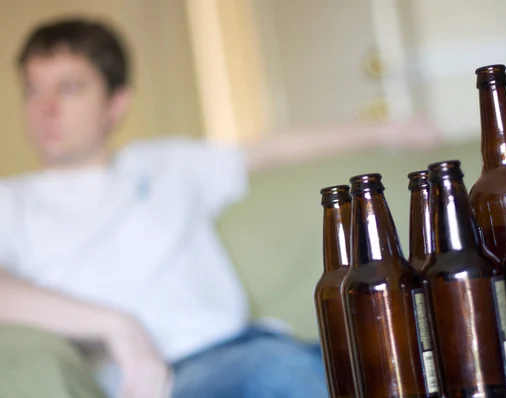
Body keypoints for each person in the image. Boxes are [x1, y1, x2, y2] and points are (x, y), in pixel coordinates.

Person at [0, 16, 440, 398]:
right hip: (179, 371)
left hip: (258, 344)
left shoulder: (166, 162)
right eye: (33, 90)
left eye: (69, 88)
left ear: (116, 104)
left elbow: (268, 150)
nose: (46, 108)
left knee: (409, 350)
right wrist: (117, 326)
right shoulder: (12, 200)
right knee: (280, 376)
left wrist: (388, 129)